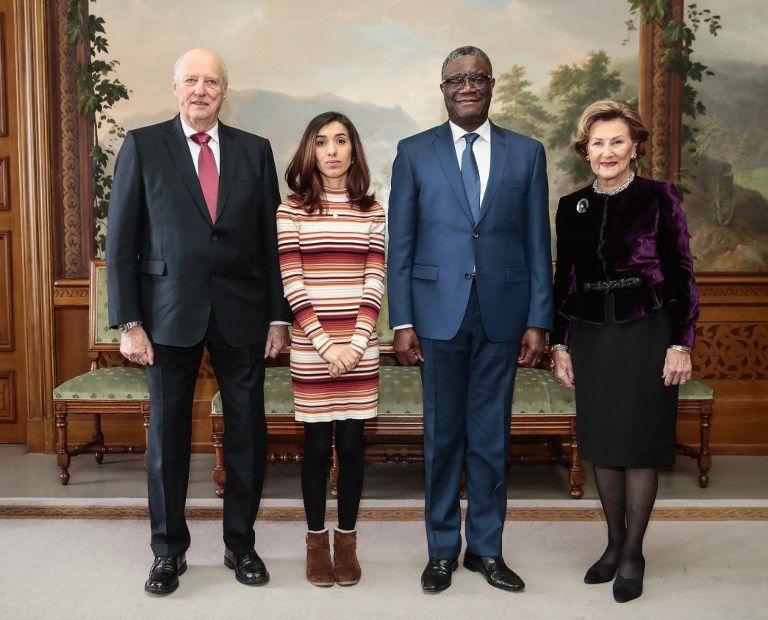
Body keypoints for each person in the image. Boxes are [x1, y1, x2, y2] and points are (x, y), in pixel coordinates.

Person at [106, 48, 291, 595]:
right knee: (167, 437)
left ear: (223, 90)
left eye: (211, 81)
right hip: (166, 317)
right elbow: (120, 242)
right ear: (175, 87)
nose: (201, 90)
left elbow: (271, 243)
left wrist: (278, 317)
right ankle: (168, 552)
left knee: (247, 437)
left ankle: (242, 544)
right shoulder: (142, 146)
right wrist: (129, 322)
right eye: (192, 80)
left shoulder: (255, 152)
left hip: (244, 316)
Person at [387, 46, 553, 594]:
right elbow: (402, 244)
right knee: (441, 438)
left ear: (491, 85)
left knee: (490, 438)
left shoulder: (526, 154)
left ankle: (486, 549)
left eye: (476, 78)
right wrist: (402, 319)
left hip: (504, 316)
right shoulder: (413, 153)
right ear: (443, 89)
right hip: (436, 317)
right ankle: (440, 552)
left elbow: (536, 241)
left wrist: (539, 318)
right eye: (456, 79)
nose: (467, 86)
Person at [551, 100, 699, 603]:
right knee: (603, 446)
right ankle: (613, 545)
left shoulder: (659, 197)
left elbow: (682, 274)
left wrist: (682, 342)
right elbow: (564, 278)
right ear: (585, 151)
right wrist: (559, 342)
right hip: (592, 336)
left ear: (634, 146)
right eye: (598, 143)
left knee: (638, 446)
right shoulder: (571, 206)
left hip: (648, 332)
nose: (607, 151)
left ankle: (634, 553)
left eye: (617, 141)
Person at [277, 112, 385, 587]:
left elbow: (375, 280)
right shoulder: (291, 210)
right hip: (311, 348)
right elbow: (292, 283)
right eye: (322, 142)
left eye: (341, 141)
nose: (333, 150)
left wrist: (357, 343)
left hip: (360, 348)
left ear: (353, 150)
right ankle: (316, 543)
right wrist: (325, 345)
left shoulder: (373, 210)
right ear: (310, 151)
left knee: (355, 446)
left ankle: (347, 542)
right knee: (318, 446)